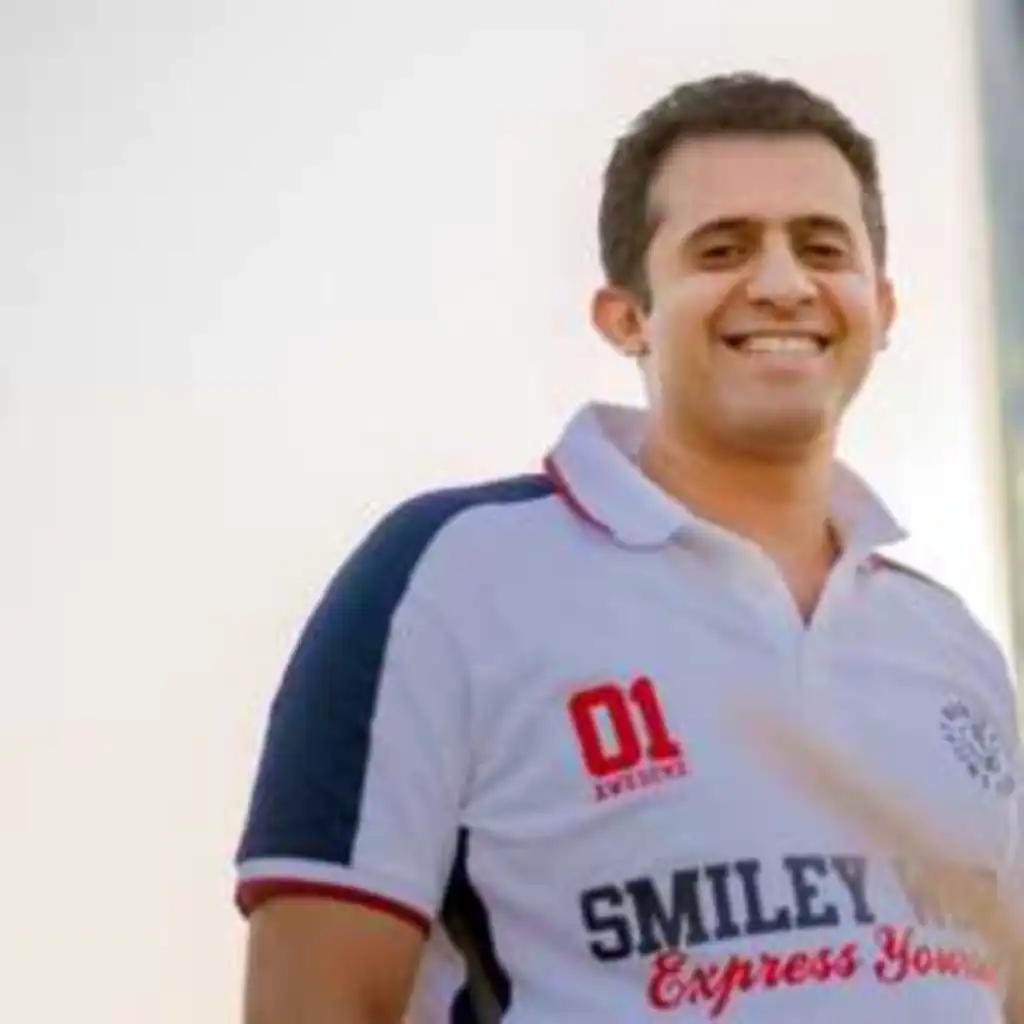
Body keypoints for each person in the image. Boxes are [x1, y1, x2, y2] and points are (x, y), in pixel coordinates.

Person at [234, 71, 1023, 1022]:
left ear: (883, 307)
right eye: (723, 249)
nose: (783, 285)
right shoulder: (450, 577)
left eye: (822, 247)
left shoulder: (953, 646)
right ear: (628, 316)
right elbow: (314, 1001)